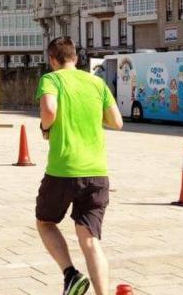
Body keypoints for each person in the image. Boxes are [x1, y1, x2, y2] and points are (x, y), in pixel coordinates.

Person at [36, 37, 123, 295]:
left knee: (45, 222)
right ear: (75, 57)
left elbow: (49, 110)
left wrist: (45, 127)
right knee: (90, 240)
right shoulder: (97, 82)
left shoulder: (51, 80)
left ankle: (70, 274)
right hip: (97, 171)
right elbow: (117, 122)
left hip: (63, 169)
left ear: (53, 60)